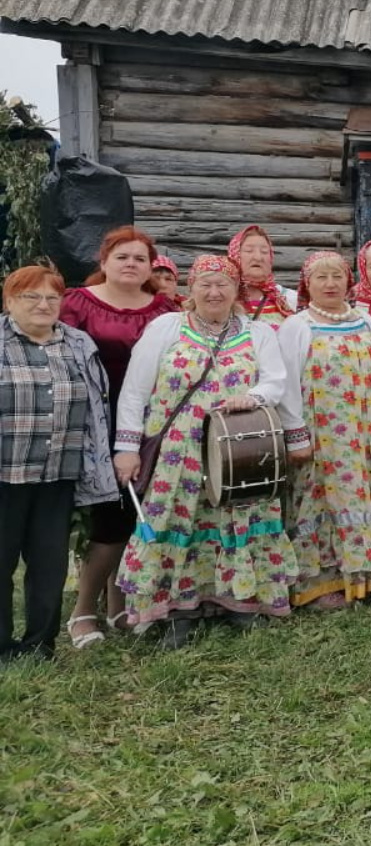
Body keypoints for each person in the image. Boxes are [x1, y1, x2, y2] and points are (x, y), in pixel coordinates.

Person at [114, 256, 297, 648]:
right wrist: (126, 448)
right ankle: (181, 610)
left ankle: (238, 602)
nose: (214, 293)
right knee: (184, 522)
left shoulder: (257, 332)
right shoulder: (166, 328)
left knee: (236, 520)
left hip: (239, 453)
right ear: (191, 289)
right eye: (205, 285)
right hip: (179, 453)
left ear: (236, 292)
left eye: (223, 285)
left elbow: (275, 381)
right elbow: (133, 391)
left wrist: (252, 396)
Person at [59, 227, 181, 649]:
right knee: (109, 519)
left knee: (137, 515)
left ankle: (119, 606)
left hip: (152, 425)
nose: (131, 264)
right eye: (122, 256)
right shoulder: (78, 305)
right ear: (104, 261)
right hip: (96, 421)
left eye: (139, 258)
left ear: (151, 267)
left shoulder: (164, 310)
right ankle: (82, 611)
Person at [1, 265, 117, 663]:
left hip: (58, 472)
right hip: (6, 472)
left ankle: (40, 644)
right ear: (10, 301)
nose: (43, 304)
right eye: (31, 297)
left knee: (49, 562)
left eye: (52, 297)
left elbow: (97, 408)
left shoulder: (78, 342)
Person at [277, 252, 371, 609]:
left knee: (361, 497)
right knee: (318, 501)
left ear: (348, 281)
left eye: (336, 276)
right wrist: (295, 433)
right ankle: (318, 585)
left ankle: (361, 577)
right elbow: (287, 385)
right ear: (307, 285)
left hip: (366, 432)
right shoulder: (298, 326)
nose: (329, 284)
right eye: (321, 278)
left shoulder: (368, 322)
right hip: (322, 434)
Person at [229, 225, 297, 326]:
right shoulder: (222, 298)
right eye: (249, 251)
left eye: (264, 252)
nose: (258, 257)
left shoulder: (289, 299)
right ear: (235, 255)